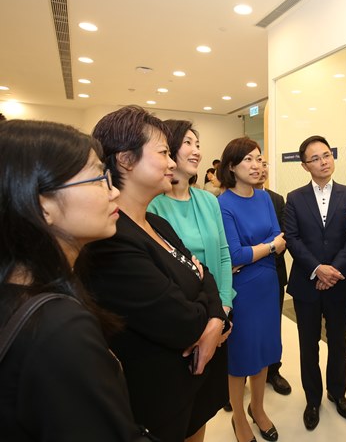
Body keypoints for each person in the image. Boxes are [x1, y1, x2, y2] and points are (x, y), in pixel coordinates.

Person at [80, 106, 228, 442]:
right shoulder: (111, 240)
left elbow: (208, 280)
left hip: (192, 387)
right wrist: (207, 309)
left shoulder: (157, 223)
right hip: (158, 402)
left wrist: (215, 319)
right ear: (126, 161)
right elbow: (183, 321)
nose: (172, 162)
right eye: (163, 152)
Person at [0, 120, 144, 441]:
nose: (114, 191)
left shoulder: (20, 293)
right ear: (41, 206)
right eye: (98, 179)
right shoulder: (58, 329)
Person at [147, 119, 234, 442]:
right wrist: (203, 320)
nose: (197, 151)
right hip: (178, 331)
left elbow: (223, 256)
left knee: (203, 406)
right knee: (174, 416)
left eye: (198, 144)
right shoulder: (151, 205)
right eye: (188, 143)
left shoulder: (209, 201)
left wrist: (223, 309)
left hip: (218, 319)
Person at [284, 135, 346, 431]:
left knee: (339, 342)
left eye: (326, 155)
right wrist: (318, 269)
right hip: (307, 283)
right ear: (305, 165)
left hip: (339, 283)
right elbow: (292, 238)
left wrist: (333, 271)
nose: (323, 162)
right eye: (315, 158)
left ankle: (337, 393)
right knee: (308, 344)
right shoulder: (295, 197)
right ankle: (312, 399)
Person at [217, 137, 284, 442]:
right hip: (242, 291)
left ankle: (258, 408)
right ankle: (240, 417)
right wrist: (268, 247)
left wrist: (259, 249)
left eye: (259, 158)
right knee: (242, 356)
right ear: (231, 166)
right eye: (248, 160)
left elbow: (277, 235)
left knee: (264, 351)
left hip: (268, 284)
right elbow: (234, 255)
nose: (257, 165)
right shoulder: (223, 204)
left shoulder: (264, 198)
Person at [254, 159, 293, 396]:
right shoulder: (224, 201)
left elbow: (284, 237)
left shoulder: (276, 199)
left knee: (271, 326)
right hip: (242, 275)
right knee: (242, 329)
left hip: (273, 273)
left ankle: (273, 371)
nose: (260, 167)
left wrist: (268, 249)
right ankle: (239, 377)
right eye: (253, 161)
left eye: (264, 162)